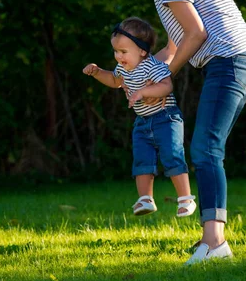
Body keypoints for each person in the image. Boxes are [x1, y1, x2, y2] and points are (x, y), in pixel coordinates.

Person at [133, 0, 246, 265]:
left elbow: (197, 34)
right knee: (208, 148)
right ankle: (211, 240)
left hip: (230, 61)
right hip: (242, 60)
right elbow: (179, 41)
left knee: (206, 148)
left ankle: (215, 243)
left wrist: (164, 79)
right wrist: (147, 71)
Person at [82, 16, 197, 219]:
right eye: (116, 51)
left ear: (142, 51)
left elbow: (167, 86)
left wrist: (143, 92)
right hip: (143, 122)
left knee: (172, 155)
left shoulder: (152, 66)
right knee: (142, 160)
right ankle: (145, 199)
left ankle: (186, 198)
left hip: (165, 118)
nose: (118, 56)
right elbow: (114, 80)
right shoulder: (123, 69)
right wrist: (98, 72)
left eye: (123, 52)